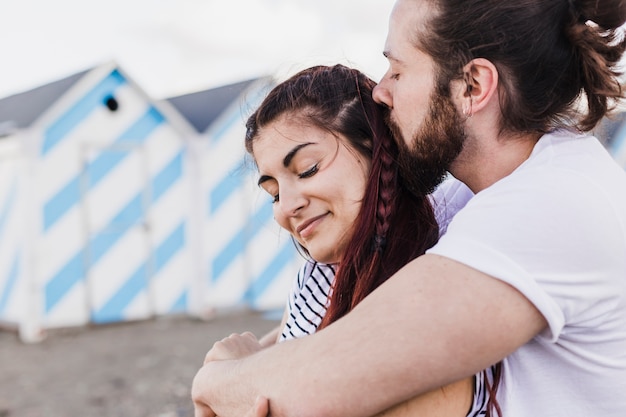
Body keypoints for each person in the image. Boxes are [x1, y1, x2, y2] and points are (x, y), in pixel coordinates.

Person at [192, 0, 626, 415]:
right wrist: (262, 360)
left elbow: (321, 384)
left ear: (472, 86)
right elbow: (327, 327)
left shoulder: (548, 205)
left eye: (397, 71)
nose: (380, 92)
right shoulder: (472, 195)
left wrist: (213, 381)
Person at [203, 64, 486, 416]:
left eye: (307, 169)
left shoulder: (439, 283)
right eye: (274, 193)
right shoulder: (319, 276)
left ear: (376, 149)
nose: (287, 207)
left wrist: (230, 377)